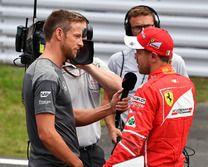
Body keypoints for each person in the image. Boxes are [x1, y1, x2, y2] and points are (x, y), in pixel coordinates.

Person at [22, 9, 129, 167]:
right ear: (59, 34)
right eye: (77, 36)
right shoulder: (47, 75)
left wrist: (110, 108)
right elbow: (46, 133)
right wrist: (77, 163)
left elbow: (68, 117)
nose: (81, 43)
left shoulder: (51, 70)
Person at [104, 27, 196, 167]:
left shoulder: (148, 90)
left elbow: (132, 141)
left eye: (139, 52)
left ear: (153, 56)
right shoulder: (187, 86)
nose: (135, 56)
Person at [107, 6, 189, 134]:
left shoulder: (176, 61)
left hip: (161, 136)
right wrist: (112, 128)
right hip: (127, 133)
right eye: (138, 28)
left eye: (148, 27)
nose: (144, 31)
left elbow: (184, 101)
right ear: (129, 30)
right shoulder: (117, 60)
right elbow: (107, 97)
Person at [62, 57, 122, 167]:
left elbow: (119, 86)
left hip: (92, 151)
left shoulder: (94, 63)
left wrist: (88, 66)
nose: (80, 43)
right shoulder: (54, 66)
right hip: (63, 152)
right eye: (77, 38)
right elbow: (69, 116)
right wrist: (109, 108)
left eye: (83, 38)